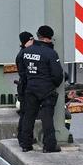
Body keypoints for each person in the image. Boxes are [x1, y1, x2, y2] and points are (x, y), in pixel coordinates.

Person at [16, 25, 64, 153]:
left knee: (28, 116)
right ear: (48, 39)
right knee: (47, 117)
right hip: (46, 90)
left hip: (30, 89)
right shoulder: (51, 53)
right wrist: (53, 85)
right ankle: (49, 146)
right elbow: (58, 74)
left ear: (38, 36)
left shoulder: (25, 52)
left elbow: (22, 72)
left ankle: (25, 144)